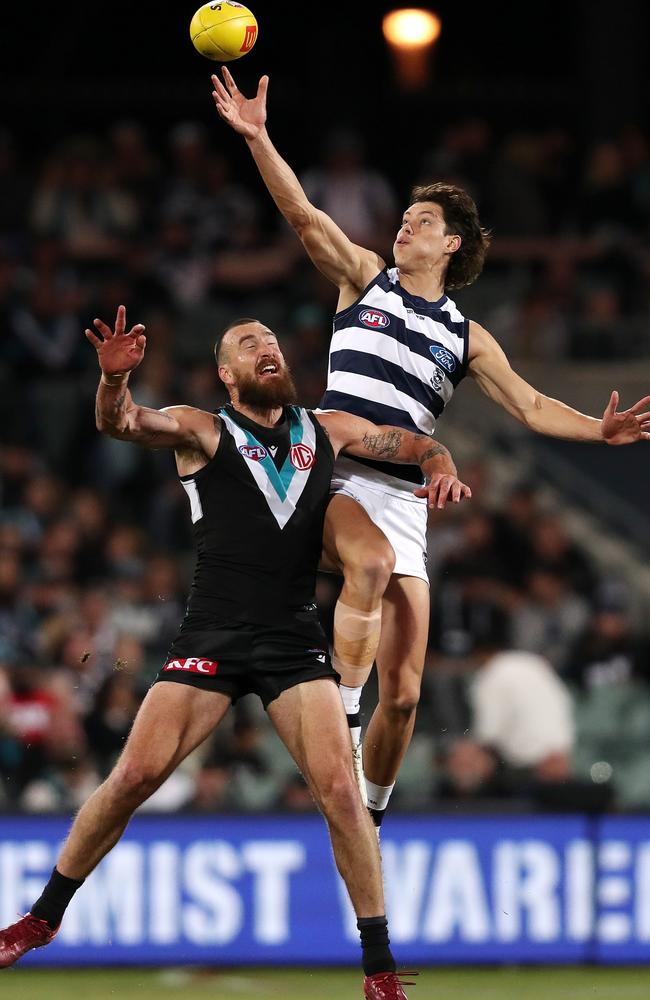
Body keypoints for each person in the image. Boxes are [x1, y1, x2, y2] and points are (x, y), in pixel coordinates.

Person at [211, 67, 650, 829]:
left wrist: (600, 429)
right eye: (405, 216)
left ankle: (369, 815)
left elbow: (532, 405)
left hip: (402, 497)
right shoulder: (365, 282)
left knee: (407, 694)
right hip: (332, 472)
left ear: (452, 244)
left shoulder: (466, 335)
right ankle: (339, 736)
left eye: (421, 220)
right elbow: (305, 217)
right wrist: (258, 138)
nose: (404, 225)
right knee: (369, 565)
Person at [0, 306, 470, 999]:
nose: (266, 348)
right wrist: (111, 384)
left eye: (272, 340)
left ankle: (378, 971)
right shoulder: (203, 429)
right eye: (249, 344)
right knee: (132, 778)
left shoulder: (327, 431)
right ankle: (40, 920)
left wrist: (440, 459)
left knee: (342, 793)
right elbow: (123, 423)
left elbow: (408, 442)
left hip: (291, 639)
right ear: (226, 373)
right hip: (213, 635)